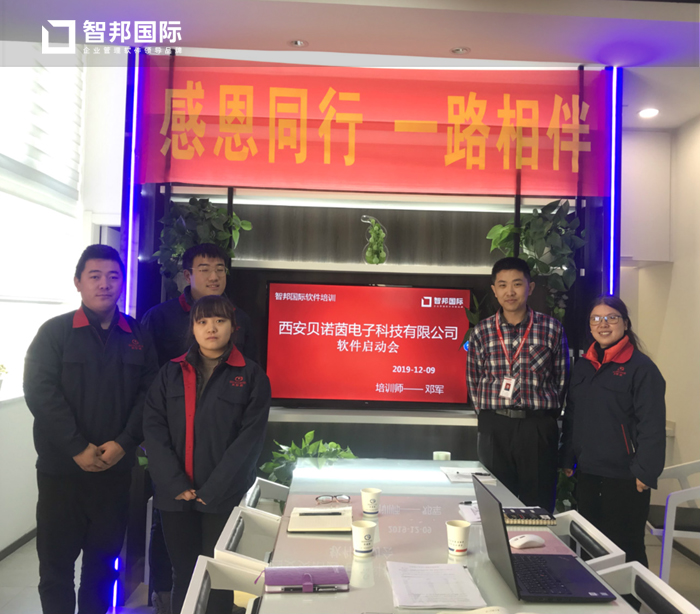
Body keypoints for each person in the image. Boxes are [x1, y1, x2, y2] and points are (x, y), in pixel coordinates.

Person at [24, 244, 158, 614]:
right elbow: (40, 392)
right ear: (78, 282)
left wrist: (124, 442)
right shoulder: (55, 332)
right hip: (61, 474)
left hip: (113, 474)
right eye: (95, 276)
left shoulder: (137, 334)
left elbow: (149, 395)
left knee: (102, 568)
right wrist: (76, 447)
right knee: (56, 568)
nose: (104, 284)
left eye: (113, 277)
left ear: (122, 283)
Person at [141, 243, 258, 611]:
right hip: (174, 490)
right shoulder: (168, 368)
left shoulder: (250, 375)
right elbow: (153, 425)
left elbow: (249, 436)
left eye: (219, 321)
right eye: (203, 322)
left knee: (221, 575)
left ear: (233, 327)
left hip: (222, 492)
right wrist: (174, 482)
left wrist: (216, 488)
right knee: (185, 575)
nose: (211, 328)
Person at [560, 296, 665, 566]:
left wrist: (645, 471)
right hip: (588, 472)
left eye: (611, 318)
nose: (603, 324)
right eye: (596, 319)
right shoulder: (584, 366)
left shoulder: (641, 368)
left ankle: (629, 595)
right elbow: (573, 414)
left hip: (625, 476)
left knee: (626, 548)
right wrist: (568, 456)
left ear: (625, 323)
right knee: (590, 544)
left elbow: (652, 423)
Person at [466, 257, 569, 512]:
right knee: (495, 502)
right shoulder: (481, 331)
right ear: (494, 290)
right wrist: (489, 417)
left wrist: (545, 418)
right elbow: (473, 379)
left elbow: (562, 379)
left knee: (538, 504)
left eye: (517, 284)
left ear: (530, 287)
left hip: (537, 427)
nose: (509, 292)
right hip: (495, 426)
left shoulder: (551, 329)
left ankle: (536, 541)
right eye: (502, 285)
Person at [141, 243, 257, 365]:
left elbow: (251, 368)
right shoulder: (159, 317)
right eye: (205, 270)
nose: (214, 277)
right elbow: (148, 368)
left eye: (220, 270)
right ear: (187, 276)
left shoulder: (239, 317)